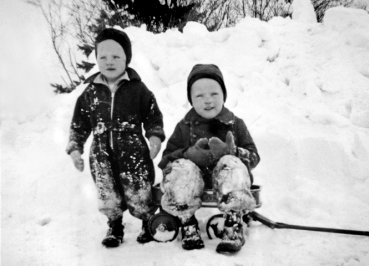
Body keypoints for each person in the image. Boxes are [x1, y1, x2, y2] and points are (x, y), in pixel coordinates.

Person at [66, 28, 165, 248]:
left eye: (116, 56)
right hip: (101, 155)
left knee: (140, 188)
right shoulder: (90, 93)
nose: (109, 62)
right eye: (103, 57)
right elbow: (79, 123)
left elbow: (152, 115)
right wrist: (75, 148)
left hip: (133, 152)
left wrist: (155, 137)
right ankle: (114, 224)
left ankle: (147, 221)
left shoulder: (138, 89)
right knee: (106, 190)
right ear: (97, 59)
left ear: (126, 59)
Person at [158, 64, 260, 253]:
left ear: (223, 95)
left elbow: (254, 157)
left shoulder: (235, 124)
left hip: (226, 182)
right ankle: (188, 222)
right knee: (181, 166)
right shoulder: (184, 126)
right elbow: (166, 160)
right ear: (191, 100)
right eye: (199, 95)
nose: (208, 100)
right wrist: (187, 154)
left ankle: (233, 225)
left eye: (214, 94)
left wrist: (233, 151)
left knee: (232, 163)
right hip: (193, 183)